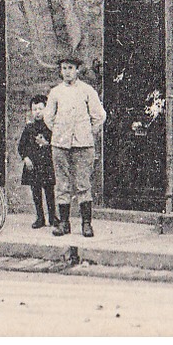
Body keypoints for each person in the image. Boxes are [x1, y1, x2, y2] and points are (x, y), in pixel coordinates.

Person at [44, 55, 105, 237]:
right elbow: (48, 117)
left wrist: (87, 132)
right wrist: (60, 131)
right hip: (60, 145)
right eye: (64, 68)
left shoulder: (87, 91)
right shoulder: (55, 92)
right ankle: (64, 223)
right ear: (60, 71)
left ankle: (86, 224)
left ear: (77, 70)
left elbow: (99, 116)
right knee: (62, 185)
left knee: (82, 184)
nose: (67, 72)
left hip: (83, 145)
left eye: (71, 68)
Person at [18, 94, 58, 229]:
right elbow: (21, 146)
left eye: (40, 109)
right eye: (34, 109)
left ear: (46, 110)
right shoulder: (29, 129)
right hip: (33, 166)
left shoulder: (51, 128)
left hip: (46, 165)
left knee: (49, 192)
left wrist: (47, 144)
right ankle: (40, 217)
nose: (37, 112)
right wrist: (25, 158)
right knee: (36, 193)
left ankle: (53, 217)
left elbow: (56, 145)